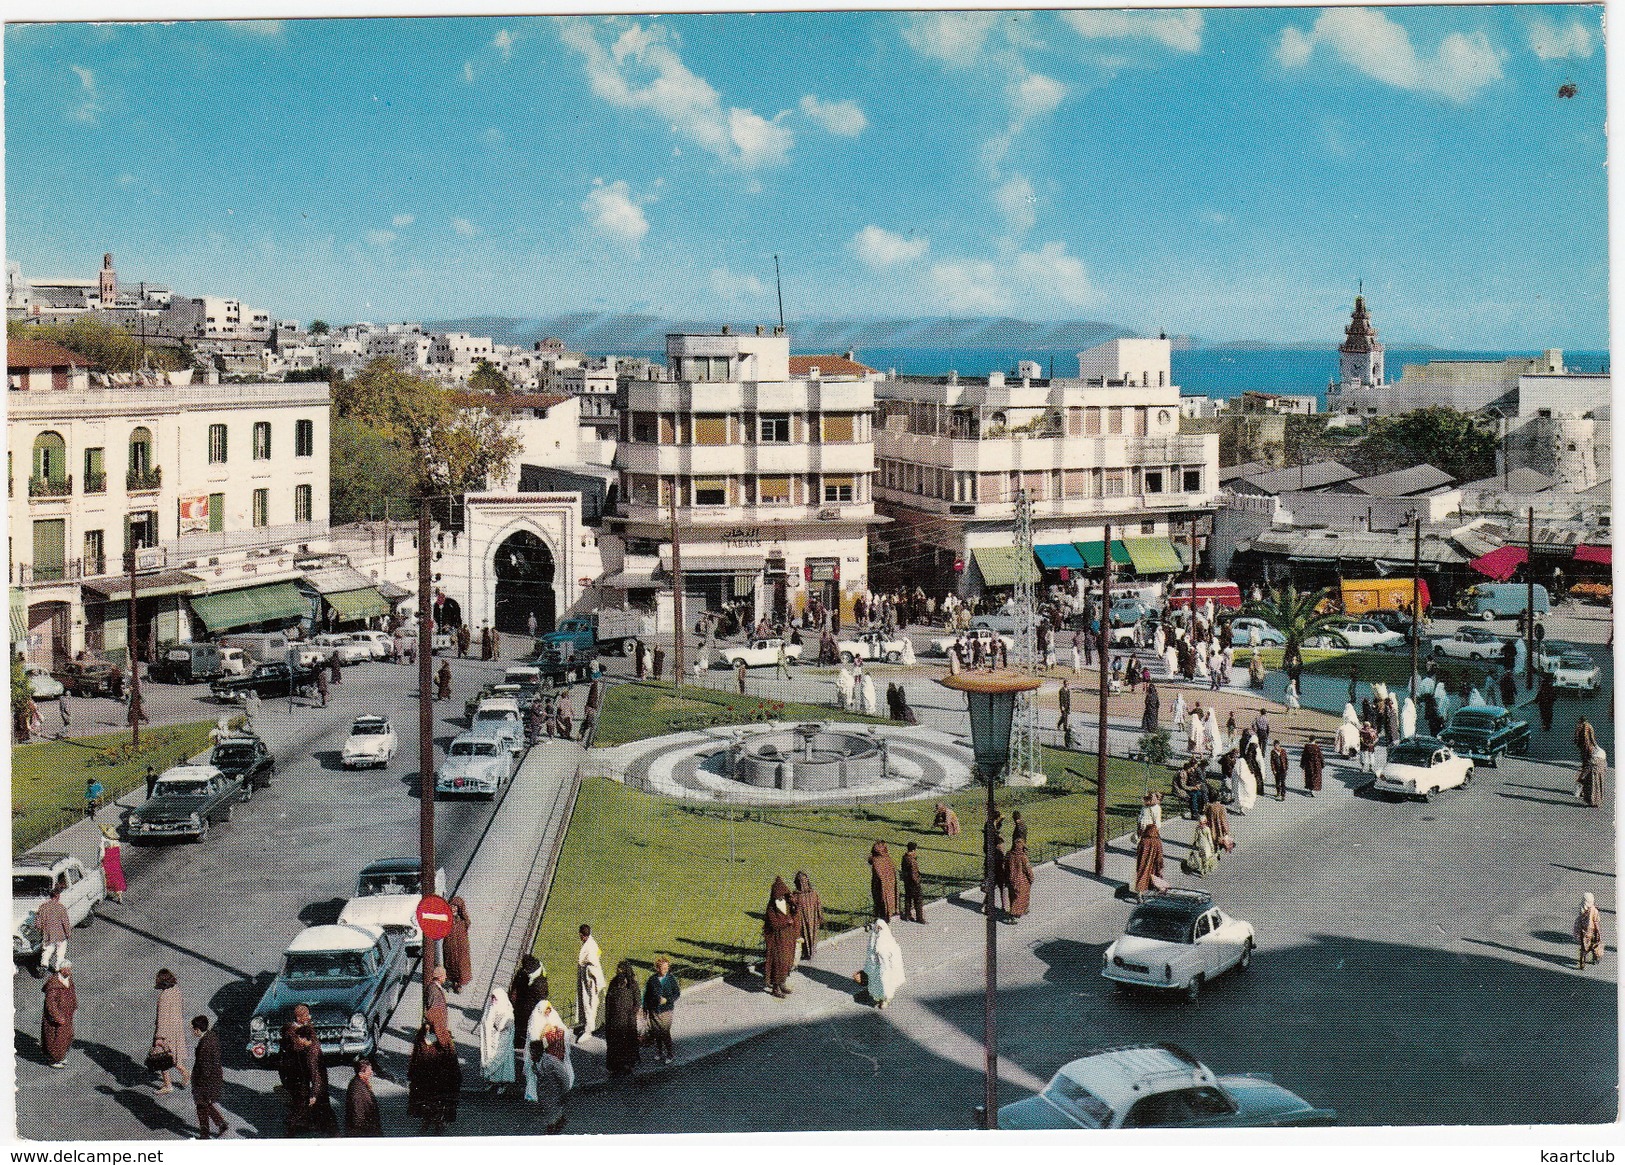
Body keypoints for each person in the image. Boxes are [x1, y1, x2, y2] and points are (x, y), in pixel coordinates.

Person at [524, 996, 574, 1133]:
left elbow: (562, 1031)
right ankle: (555, 1121)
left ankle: (554, 1125)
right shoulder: (535, 1020)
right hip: (543, 1057)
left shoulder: (553, 1016)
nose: (547, 1014)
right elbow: (534, 1038)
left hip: (552, 1057)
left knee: (551, 1104)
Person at [407, 1022, 460, 1135]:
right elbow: (416, 1056)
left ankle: (438, 1123)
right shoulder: (421, 1038)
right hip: (426, 1077)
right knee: (426, 1101)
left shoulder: (444, 1039)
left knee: (438, 1102)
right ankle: (427, 1121)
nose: (427, 1028)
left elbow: (451, 1059)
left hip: (439, 1078)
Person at [190, 1016, 229, 1140]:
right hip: (213, 1079)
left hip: (205, 1082)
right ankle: (221, 1124)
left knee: (201, 1106)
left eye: (193, 1029)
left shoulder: (205, 1045)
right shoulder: (211, 1036)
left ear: (197, 1030)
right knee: (205, 1104)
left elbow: (205, 1068)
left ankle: (205, 1134)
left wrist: (198, 1084)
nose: (192, 1031)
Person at [152, 968, 190, 1093]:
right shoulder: (176, 991)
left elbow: (162, 1019)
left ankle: (168, 1085)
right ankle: (185, 1073)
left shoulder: (164, 997)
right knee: (174, 1056)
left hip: (166, 1032)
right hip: (176, 1028)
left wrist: (159, 1038)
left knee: (162, 1058)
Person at [509, 955, 549, 1072]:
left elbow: (541, 1001)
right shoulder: (532, 974)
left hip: (529, 1011)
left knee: (528, 1035)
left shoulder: (538, 983)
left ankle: (529, 1058)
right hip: (524, 1010)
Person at [857, 919, 906, 1009]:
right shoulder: (873, 939)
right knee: (876, 984)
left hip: (885, 968)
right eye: (877, 928)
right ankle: (879, 999)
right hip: (875, 967)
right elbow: (870, 954)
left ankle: (885, 1000)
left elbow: (894, 954)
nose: (879, 930)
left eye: (880, 928)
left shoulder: (889, 941)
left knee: (885, 983)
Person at [603, 961, 642, 1077]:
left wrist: (631, 1014)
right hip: (614, 1019)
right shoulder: (613, 983)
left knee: (627, 1043)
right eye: (618, 970)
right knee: (615, 1043)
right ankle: (615, 1066)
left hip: (627, 1021)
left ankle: (628, 1065)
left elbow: (638, 1001)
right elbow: (608, 1001)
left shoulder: (632, 984)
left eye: (621, 970)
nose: (619, 972)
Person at [762, 877, 798, 998]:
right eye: (779, 896)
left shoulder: (786, 903)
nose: (781, 897)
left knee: (787, 961)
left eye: (783, 895)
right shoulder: (771, 908)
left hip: (787, 938)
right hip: (777, 940)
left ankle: (782, 983)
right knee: (778, 963)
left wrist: (794, 903)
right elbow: (773, 924)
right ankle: (776, 988)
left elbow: (794, 914)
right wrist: (786, 922)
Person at [642, 956, 680, 1065]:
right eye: (663, 968)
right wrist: (645, 1008)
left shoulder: (671, 979)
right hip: (654, 1010)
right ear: (657, 968)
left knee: (664, 1032)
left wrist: (667, 1000)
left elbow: (677, 993)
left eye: (667, 968)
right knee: (656, 1032)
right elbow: (647, 995)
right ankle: (659, 1051)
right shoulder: (652, 980)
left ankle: (670, 1053)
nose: (665, 970)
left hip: (666, 1010)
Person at [478, 987, 516, 1092]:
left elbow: (504, 1024)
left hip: (503, 1040)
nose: (493, 1001)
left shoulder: (506, 1009)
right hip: (492, 1039)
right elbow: (486, 1021)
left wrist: (498, 1024)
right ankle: (491, 1081)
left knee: (502, 1062)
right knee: (490, 1057)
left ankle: (503, 1083)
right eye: (492, 998)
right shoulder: (490, 1008)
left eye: (495, 999)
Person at [41, 962, 75, 1069]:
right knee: (56, 1039)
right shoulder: (53, 984)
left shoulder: (68, 979)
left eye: (70, 969)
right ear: (61, 970)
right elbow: (50, 1004)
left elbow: (71, 993)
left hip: (66, 1015)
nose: (69, 971)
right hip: (57, 1018)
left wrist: (73, 1005)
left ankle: (60, 1056)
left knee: (67, 1036)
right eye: (67, 969)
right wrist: (58, 1017)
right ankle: (54, 1059)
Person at [575, 923, 605, 1037]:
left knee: (588, 1003)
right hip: (591, 979)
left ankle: (589, 1029)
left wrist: (591, 981)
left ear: (582, 935)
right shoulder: (592, 943)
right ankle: (591, 1025)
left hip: (589, 980)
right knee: (591, 1003)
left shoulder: (588, 947)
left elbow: (590, 963)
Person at [35, 882, 71, 974]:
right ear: (57, 896)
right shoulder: (61, 907)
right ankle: (58, 968)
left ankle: (44, 964)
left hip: (48, 934)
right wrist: (68, 933)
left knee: (47, 950)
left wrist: (40, 929)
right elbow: (65, 922)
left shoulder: (43, 907)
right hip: (60, 934)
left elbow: (38, 923)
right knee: (60, 952)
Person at [344, 1058, 384, 1137]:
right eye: (369, 1071)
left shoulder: (360, 1082)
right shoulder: (357, 1090)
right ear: (360, 1073)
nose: (371, 1072)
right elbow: (357, 1114)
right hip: (364, 1131)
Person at [791, 870, 825, 958]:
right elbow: (819, 905)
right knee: (812, 934)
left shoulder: (796, 896)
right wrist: (820, 916)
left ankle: (807, 952)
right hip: (813, 919)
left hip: (802, 920)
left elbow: (793, 909)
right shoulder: (813, 893)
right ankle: (812, 951)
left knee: (804, 934)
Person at [1132, 818, 1166, 903]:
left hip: (1143, 863)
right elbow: (1159, 855)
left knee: (1142, 876)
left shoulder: (1143, 841)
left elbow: (1138, 851)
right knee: (1155, 875)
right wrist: (1160, 864)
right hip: (1154, 864)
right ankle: (1157, 891)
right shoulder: (1157, 841)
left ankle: (1139, 894)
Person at [443, 897, 472, 992]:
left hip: (460, 948)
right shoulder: (447, 918)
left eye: (456, 906)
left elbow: (466, 927)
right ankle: (452, 983)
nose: (453, 908)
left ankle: (459, 984)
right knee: (450, 964)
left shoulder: (463, 921)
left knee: (460, 966)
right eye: (452, 906)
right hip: (450, 946)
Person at [1006, 837, 1034, 922]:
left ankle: (1023, 910)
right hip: (1022, 880)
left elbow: (1005, 867)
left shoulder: (1009, 855)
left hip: (1011, 879)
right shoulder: (1022, 857)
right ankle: (1013, 914)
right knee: (1021, 896)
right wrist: (1031, 877)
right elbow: (1027, 869)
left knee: (1013, 896)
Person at [868, 841, 898, 921]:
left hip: (880, 885)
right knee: (886, 901)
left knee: (881, 902)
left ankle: (882, 917)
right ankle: (886, 916)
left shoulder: (876, 861)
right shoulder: (887, 859)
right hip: (887, 885)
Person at [1575, 892, 1604, 968]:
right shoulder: (1594, 910)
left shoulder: (1582, 908)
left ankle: (1582, 962)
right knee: (1595, 945)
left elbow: (1579, 920)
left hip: (1583, 931)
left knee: (1584, 947)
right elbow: (1596, 922)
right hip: (1592, 931)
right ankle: (1595, 958)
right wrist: (1598, 932)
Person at [901, 842, 926, 924]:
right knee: (918, 900)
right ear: (913, 850)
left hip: (907, 881)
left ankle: (907, 915)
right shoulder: (912, 860)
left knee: (908, 899)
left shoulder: (904, 857)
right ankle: (920, 918)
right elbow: (914, 873)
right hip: (913, 883)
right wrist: (917, 882)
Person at [423, 965, 449, 1032]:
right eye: (444, 975)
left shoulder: (435, 987)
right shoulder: (434, 990)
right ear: (439, 977)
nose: (446, 977)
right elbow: (432, 1008)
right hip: (436, 1026)